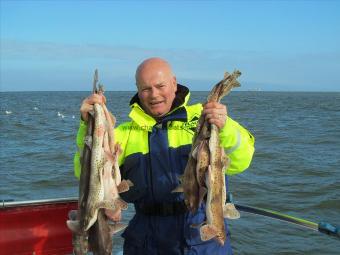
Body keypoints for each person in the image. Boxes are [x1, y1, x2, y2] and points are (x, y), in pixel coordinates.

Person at [74, 57, 255, 255]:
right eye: (146, 89)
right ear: (137, 90)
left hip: (200, 237)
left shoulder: (203, 118)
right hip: (145, 240)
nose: (154, 95)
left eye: (160, 86)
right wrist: (87, 125)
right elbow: (85, 172)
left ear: (174, 83)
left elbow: (242, 160)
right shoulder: (123, 134)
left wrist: (225, 127)